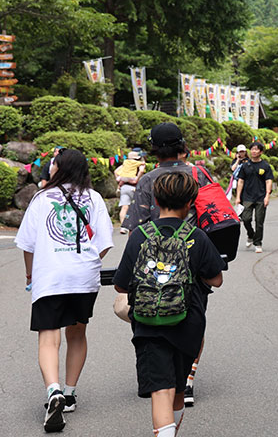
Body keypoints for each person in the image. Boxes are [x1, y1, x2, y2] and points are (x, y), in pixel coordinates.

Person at [114, 172, 225, 437]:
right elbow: (216, 279)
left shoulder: (139, 236)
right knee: (176, 389)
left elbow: (121, 285)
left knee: (160, 390)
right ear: (190, 203)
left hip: (149, 324)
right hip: (189, 324)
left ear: (155, 199)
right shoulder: (197, 236)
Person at [16, 149, 114, 432]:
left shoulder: (42, 198)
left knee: (49, 336)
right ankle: (69, 393)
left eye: (53, 164)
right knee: (77, 332)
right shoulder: (94, 198)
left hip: (50, 277)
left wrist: (31, 273)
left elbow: (27, 244)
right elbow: (104, 242)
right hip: (84, 276)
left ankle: (54, 391)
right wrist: (88, 262)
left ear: (59, 169)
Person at [123, 122, 215, 407]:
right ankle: (186, 379)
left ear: (154, 148)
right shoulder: (199, 174)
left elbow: (135, 224)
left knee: (155, 314)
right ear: (182, 146)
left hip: (153, 266)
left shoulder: (148, 179)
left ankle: (162, 378)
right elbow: (214, 216)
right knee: (194, 317)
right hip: (195, 259)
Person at [234, 142, 273, 254]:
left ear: (261, 152)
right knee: (245, 219)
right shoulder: (245, 166)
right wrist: (237, 197)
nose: (254, 151)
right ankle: (250, 234)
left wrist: (267, 196)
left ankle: (258, 243)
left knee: (259, 221)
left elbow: (268, 181)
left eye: (256, 149)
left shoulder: (265, 166)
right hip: (247, 197)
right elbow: (240, 181)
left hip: (261, 197)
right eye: (252, 149)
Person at [115, 149, 146, 234]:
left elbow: (116, 171)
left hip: (124, 187)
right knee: (137, 206)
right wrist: (137, 178)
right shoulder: (138, 163)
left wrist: (120, 179)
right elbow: (142, 170)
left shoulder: (125, 164)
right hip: (133, 187)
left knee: (124, 207)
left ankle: (123, 227)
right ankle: (136, 225)